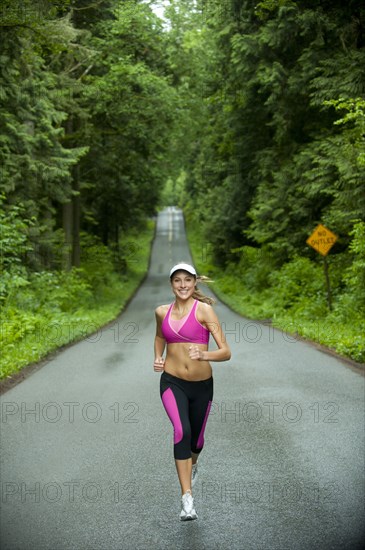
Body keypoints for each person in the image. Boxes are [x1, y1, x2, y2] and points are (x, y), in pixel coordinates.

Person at [154, 262, 231, 521]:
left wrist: (204, 353)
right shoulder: (161, 311)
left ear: (195, 282)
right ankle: (187, 499)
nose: (183, 285)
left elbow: (226, 351)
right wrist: (157, 357)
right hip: (171, 382)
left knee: (196, 440)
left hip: (202, 386)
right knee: (181, 431)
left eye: (188, 280)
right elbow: (159, 337)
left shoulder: (205, 311)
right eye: (178, 280)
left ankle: (193, 464)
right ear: (171, 284)